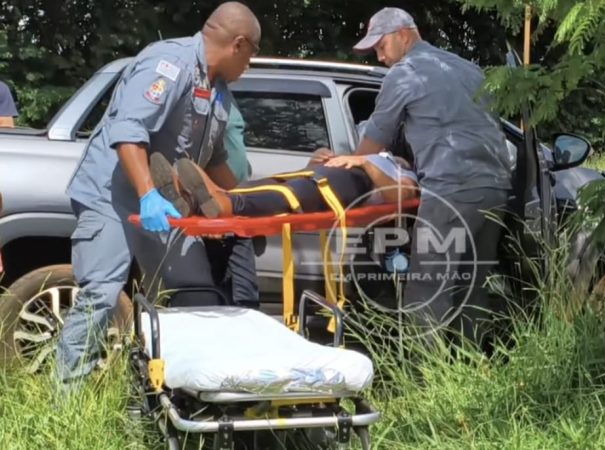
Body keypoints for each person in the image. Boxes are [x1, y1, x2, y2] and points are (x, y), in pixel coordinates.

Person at [55, 2, 261, 387]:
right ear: (238, 43)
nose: (249, 65)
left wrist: (250, 199)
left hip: (164, 204)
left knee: (196, 293)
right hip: (111, 196)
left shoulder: (219, 94)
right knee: (100, 296)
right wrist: (148, 194)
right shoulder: (169, 63)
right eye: (252, 55)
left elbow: (214, 163)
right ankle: (66, 403)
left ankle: (185, 391)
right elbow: (129, 131)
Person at [350, 7, 514, 347]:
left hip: (451, 189)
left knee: (426, 288)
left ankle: (423, 383)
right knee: (473, 287)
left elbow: (372, 141)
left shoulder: (405, 73)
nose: (380, 57)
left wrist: (347, 162)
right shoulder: (468, 69)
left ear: (405, 34)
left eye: (381, 46)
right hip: (496, 186)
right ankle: (468, 370)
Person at [149, 149, 418, 219]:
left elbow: (402, 196)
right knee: (273, 184)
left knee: (289, 194)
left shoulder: (401, 171)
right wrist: (322, 156)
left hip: (355, 183)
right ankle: (195, 200)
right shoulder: (375, 156)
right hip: (318, 173)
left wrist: (365, 163)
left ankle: (220, 203)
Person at [204, 98, 260, 308]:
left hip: (237, 213)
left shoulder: (225, 91)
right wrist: (210, 206)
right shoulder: (197, 86)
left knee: (245, 300)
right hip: (217, 215)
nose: (247, 64)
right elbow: (196, 157)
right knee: (226, 301)